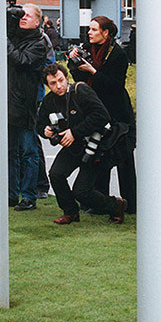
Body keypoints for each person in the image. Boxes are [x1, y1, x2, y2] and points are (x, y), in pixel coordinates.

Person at [39, 64, 127, 225]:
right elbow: (39, 124)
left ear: (66, 78)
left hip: (93, 145)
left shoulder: (81, 91)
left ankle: (116, 205)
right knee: (56, 175)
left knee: (81, 191)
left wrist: (74, 132)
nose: (58, 86)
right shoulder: (48, 101)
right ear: (47, 85)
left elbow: (102, 116)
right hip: (72, 147)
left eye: (60, 80)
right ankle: (70, 212)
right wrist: (45, 131)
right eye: (53, 83)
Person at [68, 15, 137, 214]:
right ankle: (98, 201)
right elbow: (80, 78)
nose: (89, 33)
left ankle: (130, 204)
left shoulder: (117, 54)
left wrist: (93, 71)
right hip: (96, 110)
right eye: (89, 29)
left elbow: (116, 86)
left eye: (94, 29)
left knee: (124, 159)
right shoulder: (88, 49)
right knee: (98, 156)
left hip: (118, 112)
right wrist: (74, 62)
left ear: (106, 33)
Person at [7, 2, 47, 211]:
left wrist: (4, 41)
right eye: (22, 15)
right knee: (10, 152)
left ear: (37, 21)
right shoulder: (15, 36)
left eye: (28, 16)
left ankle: (29, 196)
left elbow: (20, 60)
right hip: (9, 103)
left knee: (28, 152)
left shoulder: (38, 44)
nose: (23, 18)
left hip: (24, 105)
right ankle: (11, 194)